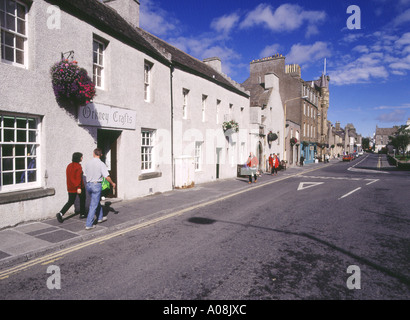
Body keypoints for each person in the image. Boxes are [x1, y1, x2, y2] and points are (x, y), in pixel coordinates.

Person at [83, 148, 116, 230]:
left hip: (89, 185)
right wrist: (112, 183)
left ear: (93, 154)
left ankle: (100, 217)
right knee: (93, 205)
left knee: (96, 201)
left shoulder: (88, 163)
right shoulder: (101, 164)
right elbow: (106, 176)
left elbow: (85, 173)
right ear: (101, 155)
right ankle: (89, 224)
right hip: (96, 185)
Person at [57, 152, 86, 223]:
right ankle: (82, 214)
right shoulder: (78, 166)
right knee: (82, 199)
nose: (82, 158)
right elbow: (78, 178)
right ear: (78, 158)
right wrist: (78, 187)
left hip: (70, 187)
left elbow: (70, 177)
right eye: (81, 157)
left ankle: (60, 213)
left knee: (70, 201)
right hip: (78, 187)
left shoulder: (69, 165)